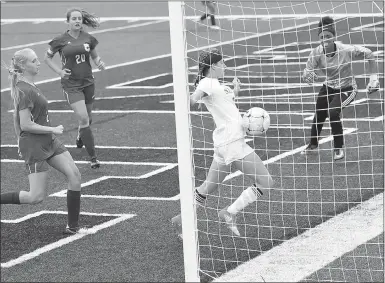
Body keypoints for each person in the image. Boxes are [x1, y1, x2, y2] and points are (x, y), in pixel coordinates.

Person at [171, 48, 274, 238]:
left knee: (207, 187)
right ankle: (229, 212)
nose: (225, 67)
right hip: (232, 143)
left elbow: (225, 108)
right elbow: (194, 100)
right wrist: (187, 97)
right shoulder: (207, 82)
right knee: (266, 181)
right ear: (213, 66)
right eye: (222, 64)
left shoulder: (217, 85)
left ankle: (182, 220)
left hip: (223, 144)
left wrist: (235, 91)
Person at [0, 48, 88, 234]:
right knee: (35, 197)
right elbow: (25, 124)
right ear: (23, 66)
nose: (38, 63)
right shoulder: (23, 90)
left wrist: (20, 139)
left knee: (75, 175)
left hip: (49, 140)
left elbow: (16, 119)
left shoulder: (29, 86)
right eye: (34, 61)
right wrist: (51, 129)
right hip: (35, 144)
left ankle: (73, 227)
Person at [301, 16, 379, 160]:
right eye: (322, 37)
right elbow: (308, 70)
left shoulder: (346, 50)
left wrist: (373, 77)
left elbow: (369, 53)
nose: (325, 39)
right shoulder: (316, 53)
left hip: (347, 88)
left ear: (334, 36)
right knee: (319, 114)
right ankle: (313, 145)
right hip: (329, 86)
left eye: (328, 36)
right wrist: (307, 75)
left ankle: (338, 148)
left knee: (333, 112)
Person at [44, 7, 106, 169]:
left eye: (79, 18)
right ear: (68, 22)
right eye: (74, 19)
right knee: (84, 119)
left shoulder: (88, 38)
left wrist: (99, 62)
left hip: (88, 83)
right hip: (71, 85)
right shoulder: (60, 40)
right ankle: (93, 158)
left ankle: (81, 135)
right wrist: (59, 71)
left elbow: (93, 54)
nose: (77, 21)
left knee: (88, 118)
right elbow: (47, 58)